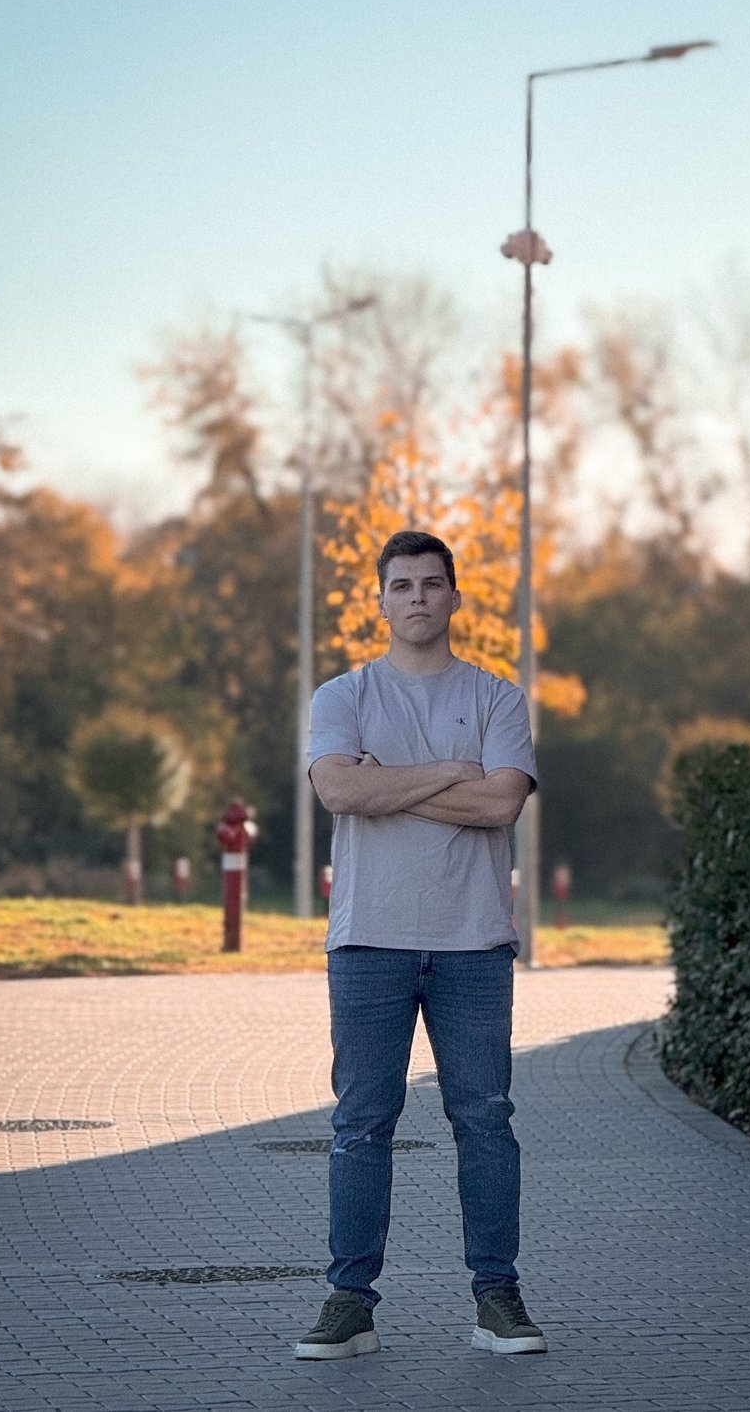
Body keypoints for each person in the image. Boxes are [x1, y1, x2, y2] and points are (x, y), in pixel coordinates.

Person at [294, 529, 547, 1360]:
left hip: (474, 943)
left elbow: (501, 806)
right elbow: (337, 786)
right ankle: (349, 1304)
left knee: (486, 1121)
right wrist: (454, 771)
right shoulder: (343, 694)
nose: (416, 598)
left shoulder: (498, 698)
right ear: (380, 600)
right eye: (400, 585)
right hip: (369, 940)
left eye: (431, 584)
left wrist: (391, 784)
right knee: (362, 1124)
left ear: (454, 598)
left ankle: (497, 1300)